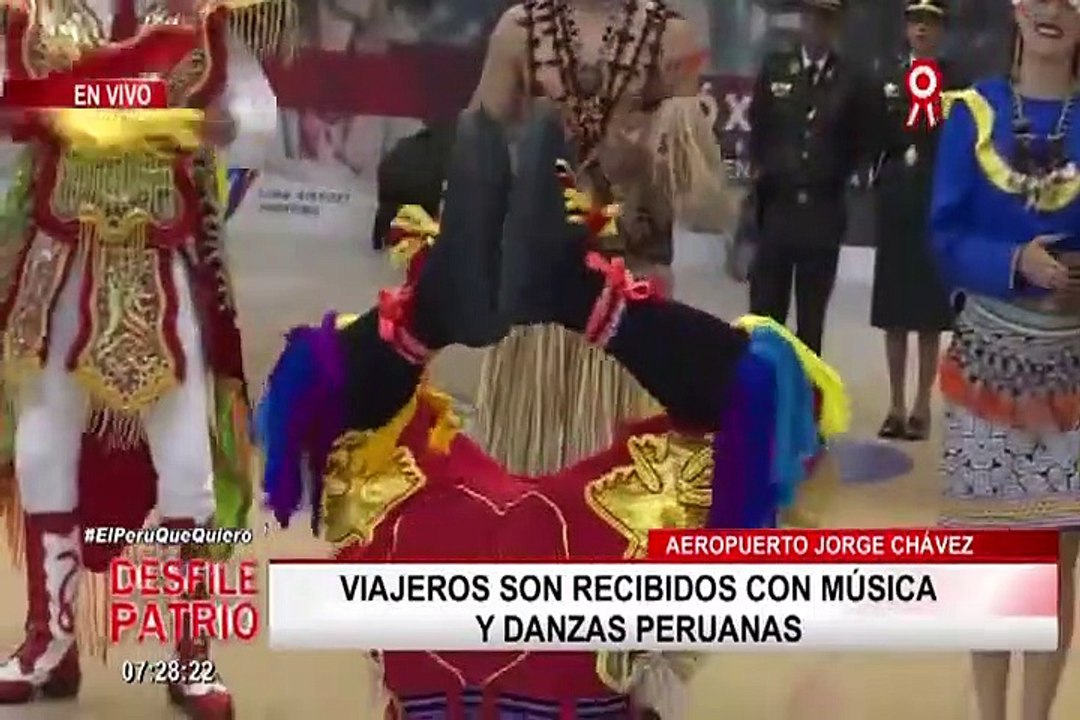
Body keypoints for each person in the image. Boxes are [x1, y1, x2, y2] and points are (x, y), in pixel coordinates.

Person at [259, 105, 847, 718]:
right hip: (580, 615)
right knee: (769, 412)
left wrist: (423, 318)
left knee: (336, 423)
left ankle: (433, 314)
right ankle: (580, 302)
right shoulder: (634, 559)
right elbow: (783, 406)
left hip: (433, 588)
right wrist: (598, 304)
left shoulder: (400, 527)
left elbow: (305, 401)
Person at [0, 1, 290, 715]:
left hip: (161, 268)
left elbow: (254, 121)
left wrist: (212, 128)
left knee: (187, 467)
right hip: (57, 265)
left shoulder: (200, 19)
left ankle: (191, 655)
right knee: (41, 451)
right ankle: (50, 641)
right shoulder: (32, 16)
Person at [468, 0, 735, 474]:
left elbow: (699, 193)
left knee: (627, 472)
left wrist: (661, 139)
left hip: (632, 284)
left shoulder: (670, 37)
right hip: (538, 287)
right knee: (527, 465)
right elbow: (480, 143)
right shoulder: (519, 29)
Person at [931, 1, 1080, 718]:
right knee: (990, 559)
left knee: (1053, 561)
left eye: (1070, 0)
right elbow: (943, 235)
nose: (1053, 10)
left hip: (1071, 373)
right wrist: (1014, 260)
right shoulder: (974, 112)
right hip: (987, 368)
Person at [746, 0, 876, 355]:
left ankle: (805, 387)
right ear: (802, 20)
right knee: (765, 315)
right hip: (778, 208)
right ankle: (764, 384)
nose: (817, 25)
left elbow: (863, 139)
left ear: (837, 25)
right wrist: (761, 174)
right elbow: (759, 127)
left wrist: (839, 172)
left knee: (811, 319)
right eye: (811, 17)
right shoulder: (776, 68)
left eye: (826, 18)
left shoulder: (852, 79)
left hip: (822, 212)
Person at [870, 0, 958, 441]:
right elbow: (872, 136)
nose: (922, 30)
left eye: (931, 22)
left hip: (935, 202)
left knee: (927, 312)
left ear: (942, 30)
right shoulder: (886, 77)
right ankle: (895, 405)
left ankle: (922, 404)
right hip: (897, 204)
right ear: (906, 28)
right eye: (916, 21)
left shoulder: (956, 82)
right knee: (893, 312)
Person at [371, 117, 458, 250]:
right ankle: (426, 242)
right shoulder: (440, 148)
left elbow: (387, 162)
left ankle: (379, 239)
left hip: (392, 179)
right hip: (419, 187)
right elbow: (445, 171)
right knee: (428, 209)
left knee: (387, 207)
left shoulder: (406, 143)